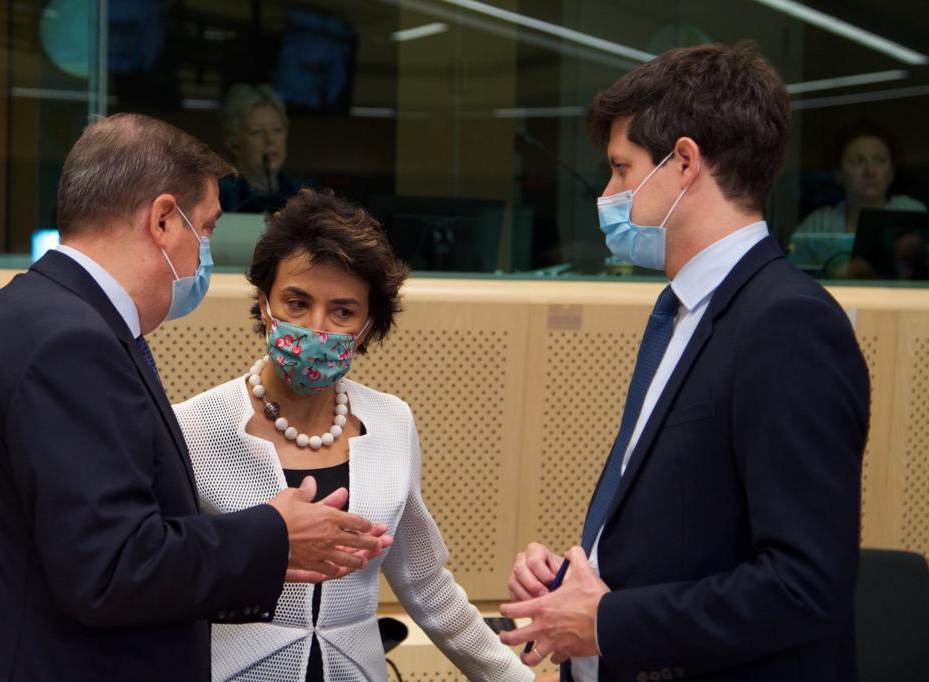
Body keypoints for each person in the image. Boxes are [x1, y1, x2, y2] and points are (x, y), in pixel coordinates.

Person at [0, 113, 388, 681]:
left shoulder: (24, 314)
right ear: (164, 220)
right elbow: (111, 567)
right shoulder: (72, 344)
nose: (205, 254)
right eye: (206, 229)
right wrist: (274, 536)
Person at [500, 43, 870, 682]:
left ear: (685, 162)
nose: (609, 194)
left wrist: (608, 622)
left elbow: (804, 586)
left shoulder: (789, 324)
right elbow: (690, 529)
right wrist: (575, 586)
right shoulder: (681, 309)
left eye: (622, 169)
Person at [173, 188, 533, 682]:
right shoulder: (194, 427)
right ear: (264, 302)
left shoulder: (391, 422)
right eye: (297, 303)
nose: (316, 327)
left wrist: (516, 678)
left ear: (367, 325)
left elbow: (428, 587)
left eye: (342, 311)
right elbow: (167, 578)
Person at [796, 123, 926, 235]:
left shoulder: (913, 214)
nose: (870, 171)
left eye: (880, 161)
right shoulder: (818, 225)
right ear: (838, 173)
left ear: (892, 172)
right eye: (857, 161)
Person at [219, 83, 303, 213]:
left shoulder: (303, 194)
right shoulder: (219, 196)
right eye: (257, 132)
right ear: (233, 141)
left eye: (277, 130)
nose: (270, 140)